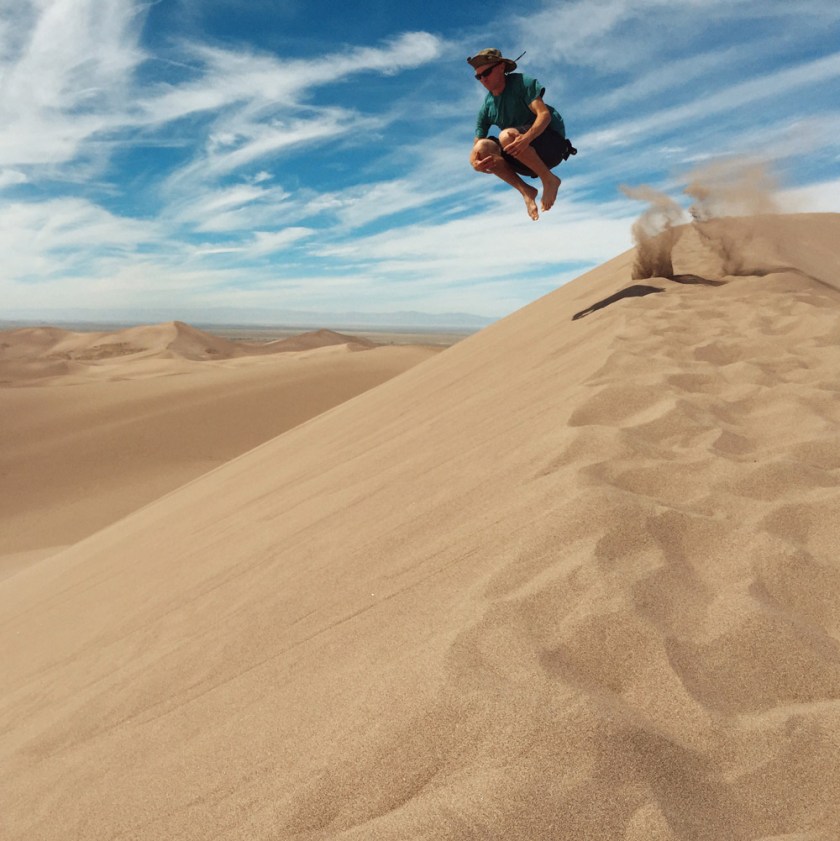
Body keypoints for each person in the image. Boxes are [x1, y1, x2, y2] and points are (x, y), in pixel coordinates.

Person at [468, 48, 575, 221]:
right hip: (523, 157)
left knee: (506, 136)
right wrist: (475, 163)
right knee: (482, 148)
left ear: (501, 67)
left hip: (551, 146)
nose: (483, 79)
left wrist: (526, 138)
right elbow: (476, 145)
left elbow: (544, 115)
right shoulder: (487, 107)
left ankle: (549, 179)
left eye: (486, 72)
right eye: (478, 76)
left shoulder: (521, 82)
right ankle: (526, 191)